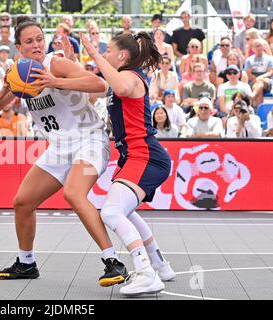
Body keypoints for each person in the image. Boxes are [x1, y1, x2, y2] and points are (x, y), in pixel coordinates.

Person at [0, 17, 128, 287]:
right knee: (23, 202)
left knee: (73, 192)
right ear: (18, 47)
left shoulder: (55, 64)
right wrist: (6, 87)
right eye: (29, 41)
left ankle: (113, 261)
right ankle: (26, 263)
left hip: (90, 140)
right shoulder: (18, 76)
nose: (37, 45)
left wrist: (54, 81)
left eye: (39, 39)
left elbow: (100, 84)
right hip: (60, 147)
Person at [81, 30, 175, 296]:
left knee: (111, 212)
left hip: (144, 155)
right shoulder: (121, 77)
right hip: (135, 155)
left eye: (109, 50)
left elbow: (121, 87)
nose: (105, 54)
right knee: (126, 211)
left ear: (122, 55)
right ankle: (159, 264)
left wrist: (95, 55)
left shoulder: (130, 77)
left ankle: (145, 272)